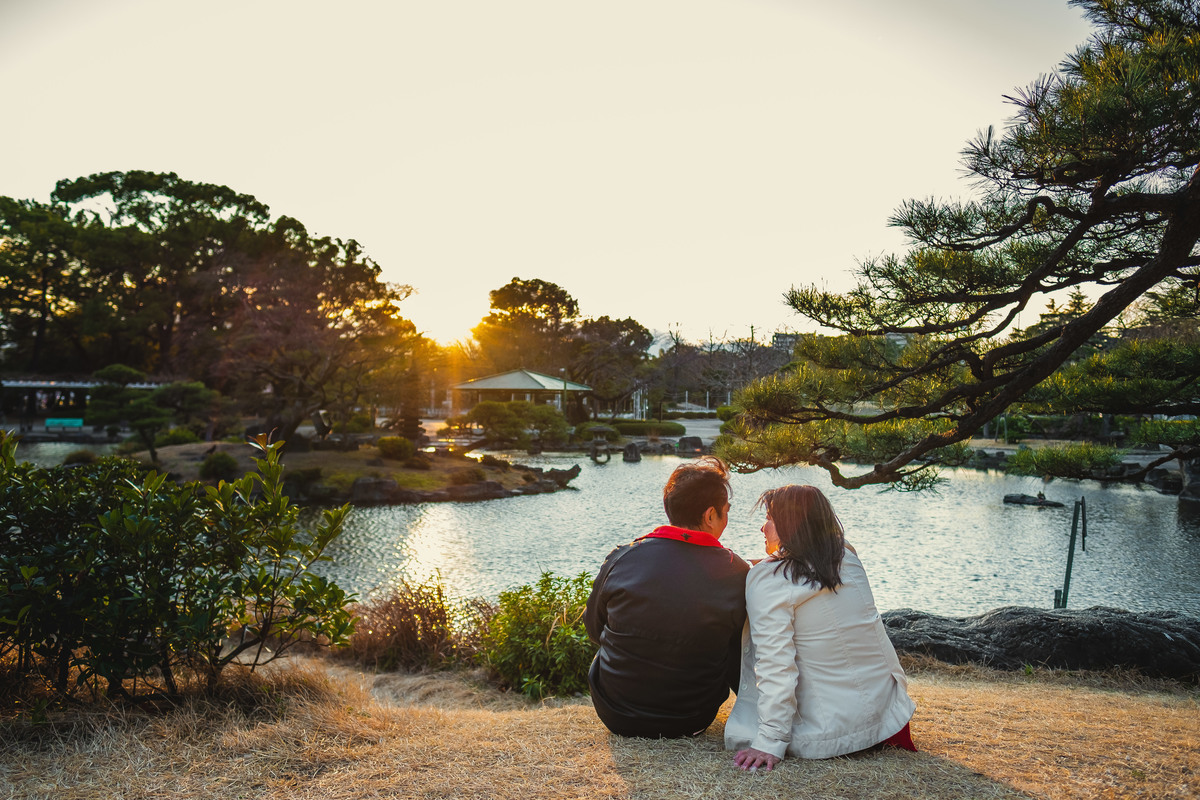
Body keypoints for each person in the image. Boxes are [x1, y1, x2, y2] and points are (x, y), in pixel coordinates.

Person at [725, 484, 916, 769]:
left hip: (827, 732)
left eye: (770, 519)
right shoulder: (846, 557)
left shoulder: (769, 580)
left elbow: (775, 663)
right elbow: (802, 576)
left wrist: (769, 741)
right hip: (885, 718)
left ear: (791, 526)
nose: (763, 529)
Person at [584, 456, 750, 738]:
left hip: (615, 713)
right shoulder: (736, 571)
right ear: (711, 515)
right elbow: (740, 653)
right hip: (691, 717)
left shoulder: (622, 557)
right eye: (726, 511)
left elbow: (594, 628)